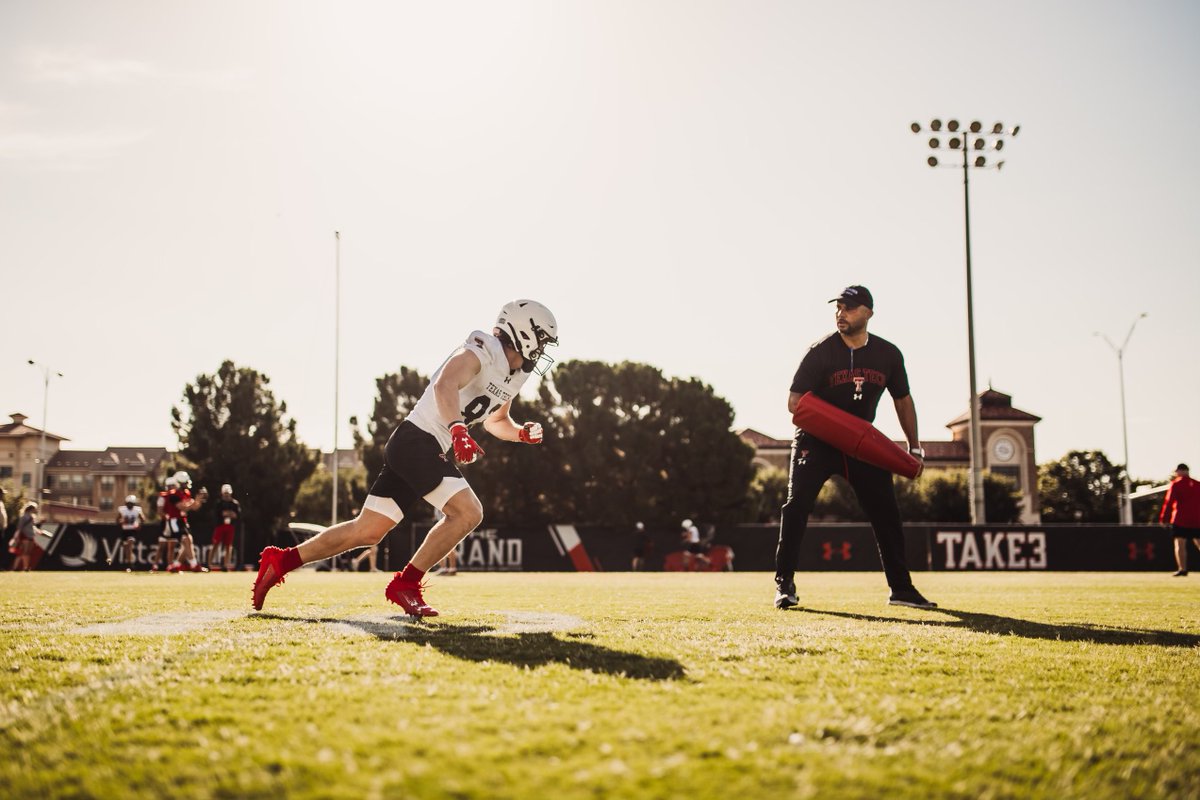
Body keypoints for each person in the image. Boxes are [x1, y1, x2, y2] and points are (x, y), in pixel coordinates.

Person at [252, 299, 559, 617]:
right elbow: (445, 385)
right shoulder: (483, 348)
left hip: (423, 446)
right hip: (418, 440)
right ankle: (406, 583)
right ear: (524, 332)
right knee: (468, 513)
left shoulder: (515, 375)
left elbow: (496, 421)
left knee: (367, 531)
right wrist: (457, 430)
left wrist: (520, 432)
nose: (542, 349)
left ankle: (282, 561)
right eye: (543, 339)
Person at [775, 285, 936, 610]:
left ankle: (901, 589)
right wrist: (835, 426)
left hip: (861, 444)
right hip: (816, 442)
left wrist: (914, 447)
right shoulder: (820, 351)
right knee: (796, 506)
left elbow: (902, 399)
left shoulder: (888, 354)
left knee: (886, 513)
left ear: (868, 312)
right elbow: (794, 402)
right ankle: (784, 585)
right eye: (838, 308)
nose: (841, 313)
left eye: (848, 307)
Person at [1158, 463, 1200, 577]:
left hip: (1180, 519)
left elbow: (1169, 502)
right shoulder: (1197, 484)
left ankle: (1182, 569)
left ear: (1180, 471)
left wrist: (1164, 518)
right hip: (1197, 519)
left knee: (1180, 544)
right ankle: (1182, 569)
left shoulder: (1176, 484)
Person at [163, 471, 209, 573]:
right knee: (187, 540)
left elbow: (194, 507)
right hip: (174, 521)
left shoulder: (186, 493)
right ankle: (194, 564)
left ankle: (176, 565)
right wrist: (194, 502)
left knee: (188, 542)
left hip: (182, 521)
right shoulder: (173, 494)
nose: (185, 485)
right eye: (183, 483)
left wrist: (199, 500)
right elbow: (183, 508)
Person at [209, 484, 241, 572]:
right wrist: (229, 514)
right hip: (220, 526)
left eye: (228, 493)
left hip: (230, 527)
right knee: (215, 544)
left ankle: (226, 564)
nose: (227, 495)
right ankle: (209, 564)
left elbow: (236, 515)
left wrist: (228, 513)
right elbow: (220, 514)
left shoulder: (234, 503)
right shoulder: (219, 503)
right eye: (225, 493)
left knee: (228, 546)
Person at [116, 494, 146, 572]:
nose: (129, 505)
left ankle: (129, 564)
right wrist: (122, 521)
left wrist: (139, 524)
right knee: (127, 548)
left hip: (132, 531)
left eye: (131, 503)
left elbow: (143, 519)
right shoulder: (122, 510)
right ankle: (128, 564)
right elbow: (117, 520)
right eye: (128, 503)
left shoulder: (137, 510)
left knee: (130, 544)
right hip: (124, 531)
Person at [12, 502, 45, 572]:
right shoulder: (24, 517)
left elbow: (33, 527)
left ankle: (23, 567)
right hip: (25, 536)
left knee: (27, 552)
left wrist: (39, 532)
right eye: (35, 508)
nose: (36, 510)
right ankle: (24, 567)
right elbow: (19, 528)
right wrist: (16, 537)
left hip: (30, 536)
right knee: (25, 552)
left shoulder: (32, 517)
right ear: (31, 509)